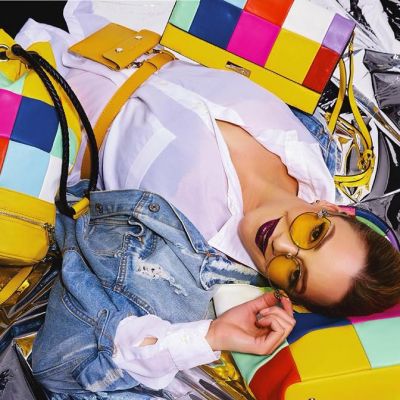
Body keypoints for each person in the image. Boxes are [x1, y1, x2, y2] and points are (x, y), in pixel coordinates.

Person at [12, 0, 400, 396]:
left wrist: (208, 336)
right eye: (315, 234)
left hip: (25, 100)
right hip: (89, 19)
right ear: (331, 209)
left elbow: (59, 365)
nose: (282, 246)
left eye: (295, 273)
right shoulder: (314, 147)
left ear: (286, 293)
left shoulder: (187, 269)